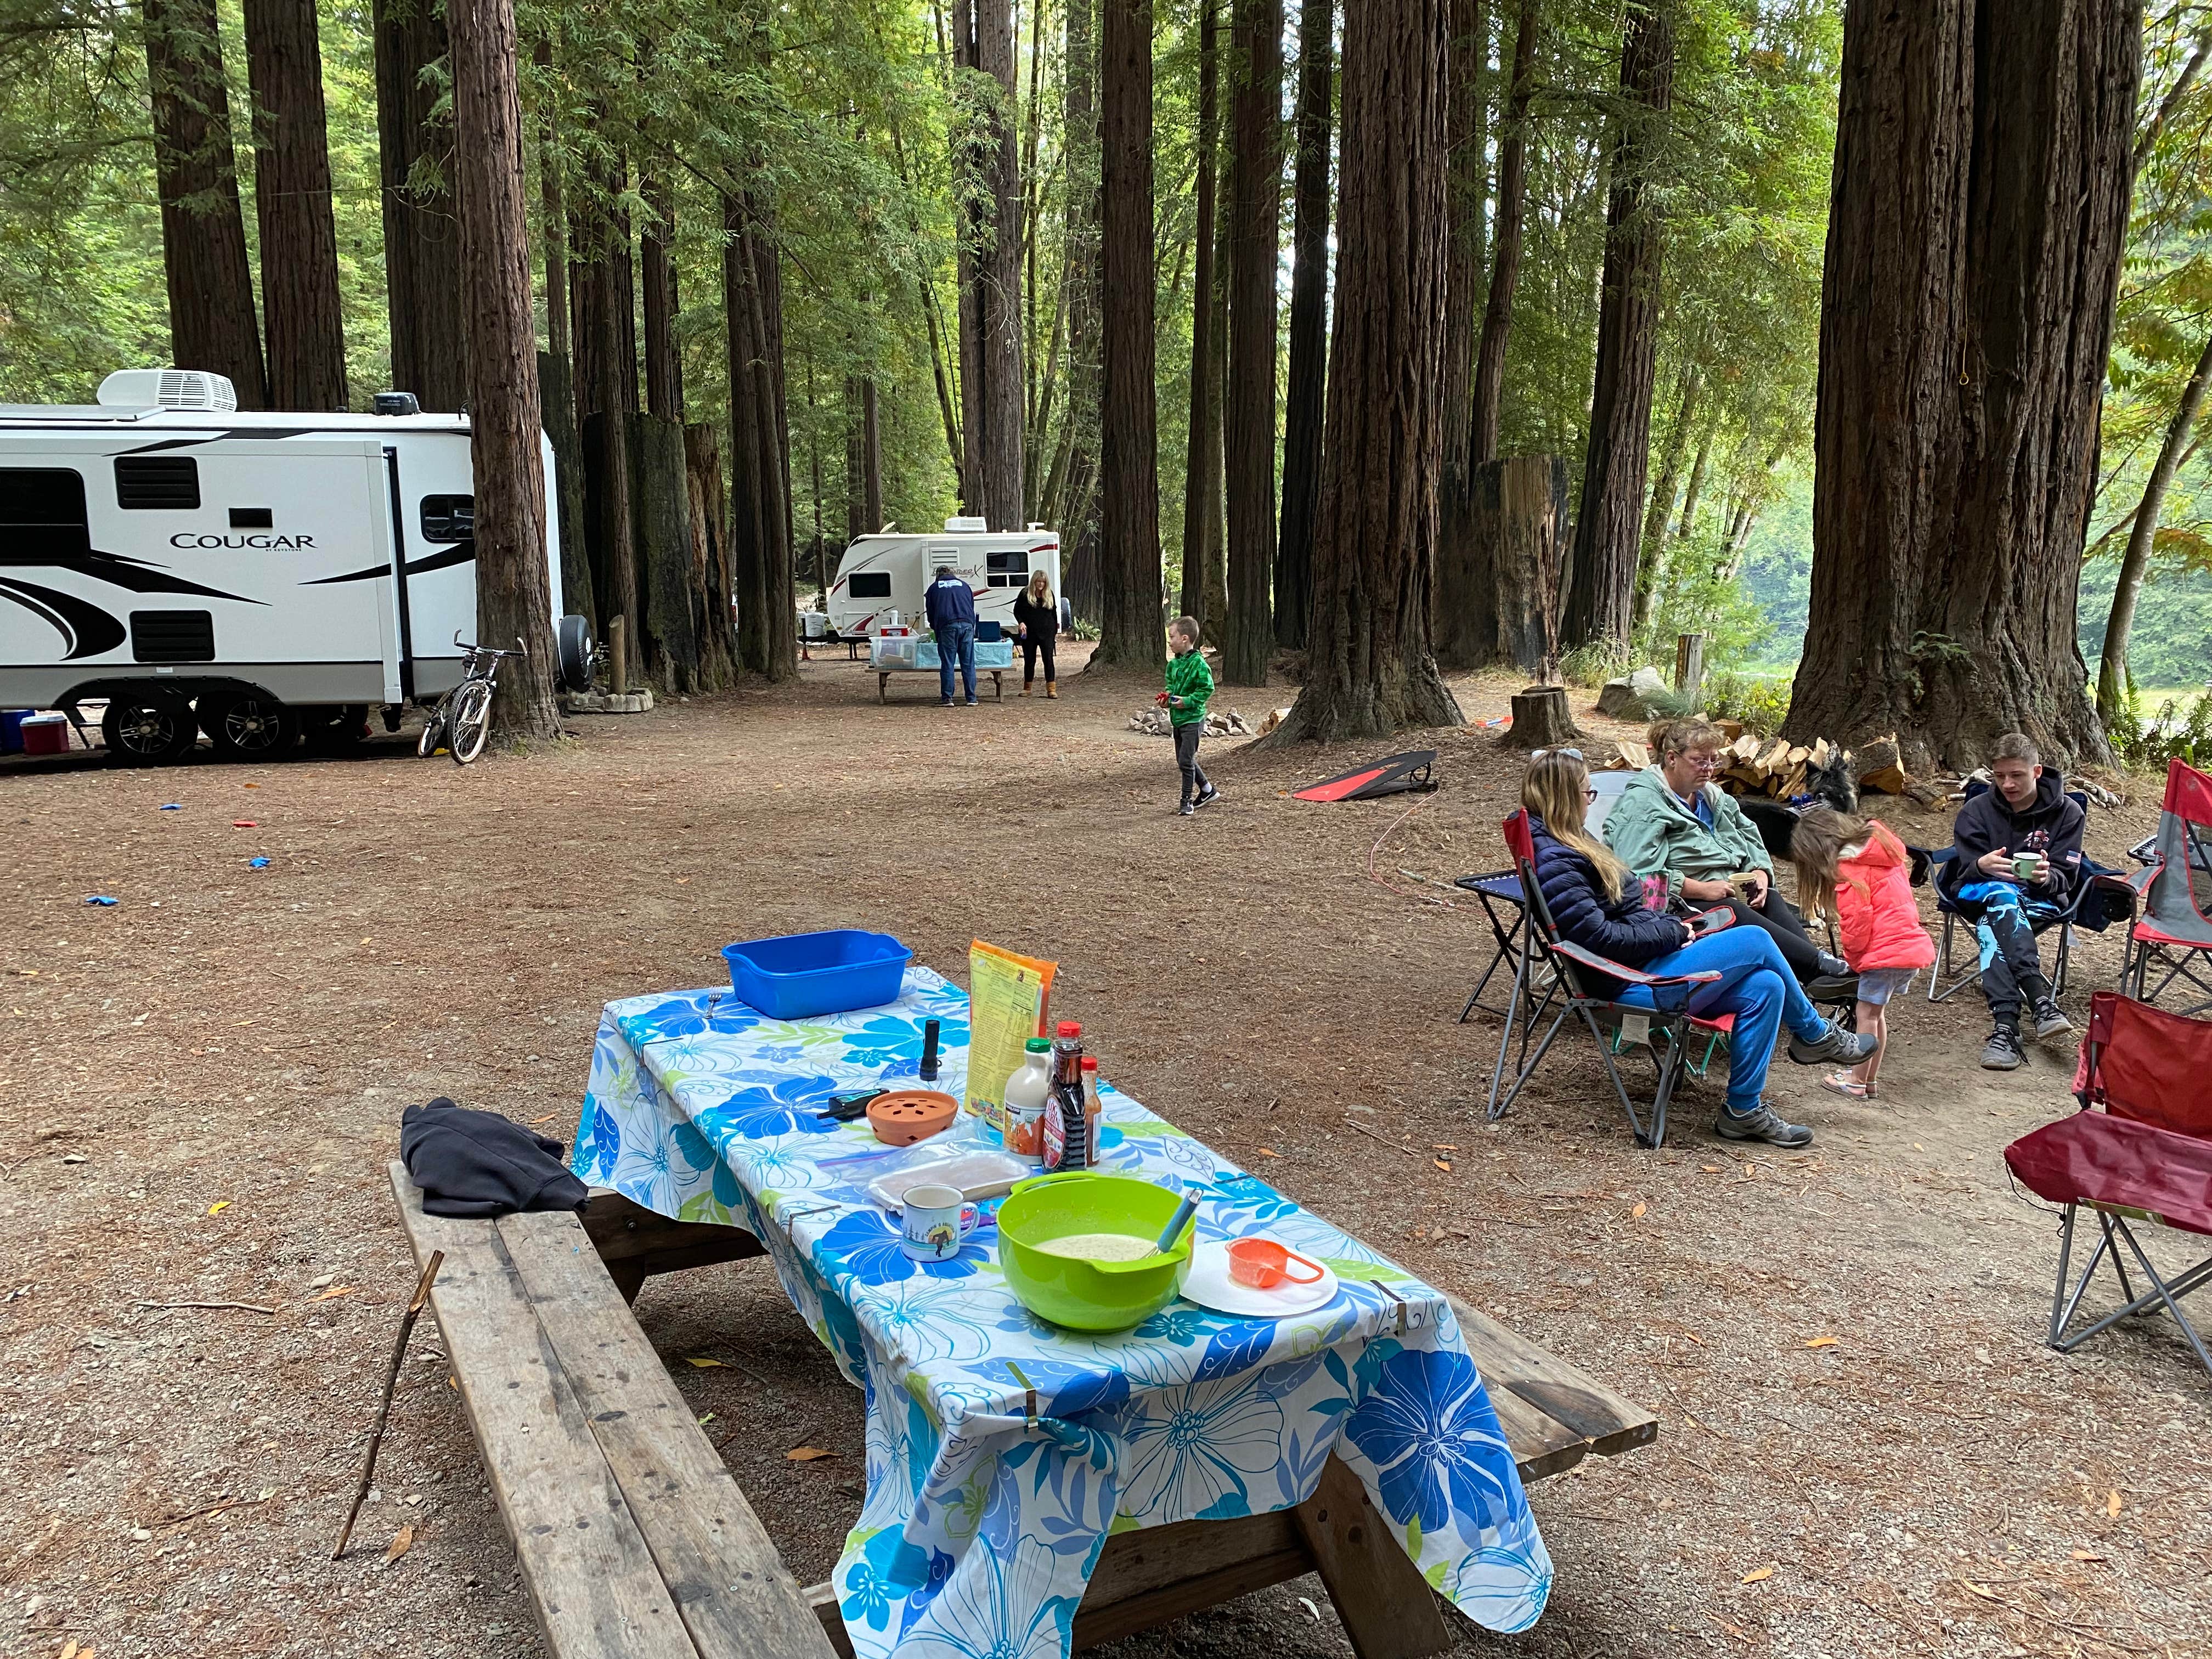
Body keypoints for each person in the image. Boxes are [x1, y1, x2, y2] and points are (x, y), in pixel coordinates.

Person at [1524, 748, 1875, 1147]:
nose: (1591, 801)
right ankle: (1813, 1033)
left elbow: (1624, 913)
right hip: (1627, 981)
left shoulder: (1570, 841)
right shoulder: (1558, 859)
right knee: (1756, 938)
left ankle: (1742, 1111)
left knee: (1766, 986)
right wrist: (1671, 933)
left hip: (1647, 959)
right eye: (1588, 794)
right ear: (1564, 797)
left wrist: (1671, 924)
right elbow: (1599, 938)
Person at [1604, 717, 1848, 988]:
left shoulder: (1712, 797)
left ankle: (1817, 975)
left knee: (1769, 900)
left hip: (1728, 890)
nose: (1709, 769)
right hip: (1679, 907)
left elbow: (1750, 835)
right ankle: (1819, 969)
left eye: (1714, 761)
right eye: (1700, 761)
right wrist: (1701, 889)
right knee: (1728, 911)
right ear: (1672, 758)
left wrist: (1760, 872)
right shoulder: (1644, 805)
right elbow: (1639, 876)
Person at [1938, 732, 2086, 1070]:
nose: (2007, 784)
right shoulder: (1976, 810)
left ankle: (2006, 1027)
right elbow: (1962, 873)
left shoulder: (2068, 813)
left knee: (1994, 925)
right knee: (2001, 894)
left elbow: (2067, 878)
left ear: (2037, 771)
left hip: (2038, 900)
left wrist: (2046, 877)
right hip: (1979, 893)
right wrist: (1980, 865)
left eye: (2016, 775)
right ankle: (2039, 998)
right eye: (1999, 775)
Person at [1788, 806, 1936, 1100]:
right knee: (1876, 1016)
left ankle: (1855, 1081)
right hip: (1907, 948)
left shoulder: (1852, 870)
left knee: (1866, 1016)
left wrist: (1854, 962)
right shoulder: (1881, 854)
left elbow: (1856, 926)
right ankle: (1868, 1080)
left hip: (1885, 953)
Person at [1165, 616, 1220, 816]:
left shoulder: (1199, 664)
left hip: (1193, 720)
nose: (1170, 641)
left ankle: (1186, 801)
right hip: (1177, 720)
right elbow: (1171, 687)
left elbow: (1207, 689)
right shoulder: (1173, 665)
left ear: (1185, 638)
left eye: (1172, 637)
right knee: (1183, 760)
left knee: (1186, 760)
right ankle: (1207, 790)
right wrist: (1167, 698)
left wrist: (1187, 701)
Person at [924, 560, 978, 707]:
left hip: (947, 625)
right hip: (967, 625)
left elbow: (931, 612)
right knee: (968, 663)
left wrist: (935, 628)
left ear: (938, 576)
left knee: (948, 662)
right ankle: (971, 698)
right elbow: (971, 606)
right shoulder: (965, 586)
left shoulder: (934, 588)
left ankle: (947, 698)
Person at [1013, 570, 1059, 698]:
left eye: (1043, 582)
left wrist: (1054, 631)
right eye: (1039, 581)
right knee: (1029, 660)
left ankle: (1051, 689)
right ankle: (1027, 688)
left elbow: (1054, 614)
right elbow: (1017, 611)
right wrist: (1021, 623)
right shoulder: (1025, 594)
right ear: (1034, 582)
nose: (1041, 584)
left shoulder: (1049, 594)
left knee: (1048, 660)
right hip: (1030, 633)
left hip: (1047, 632)